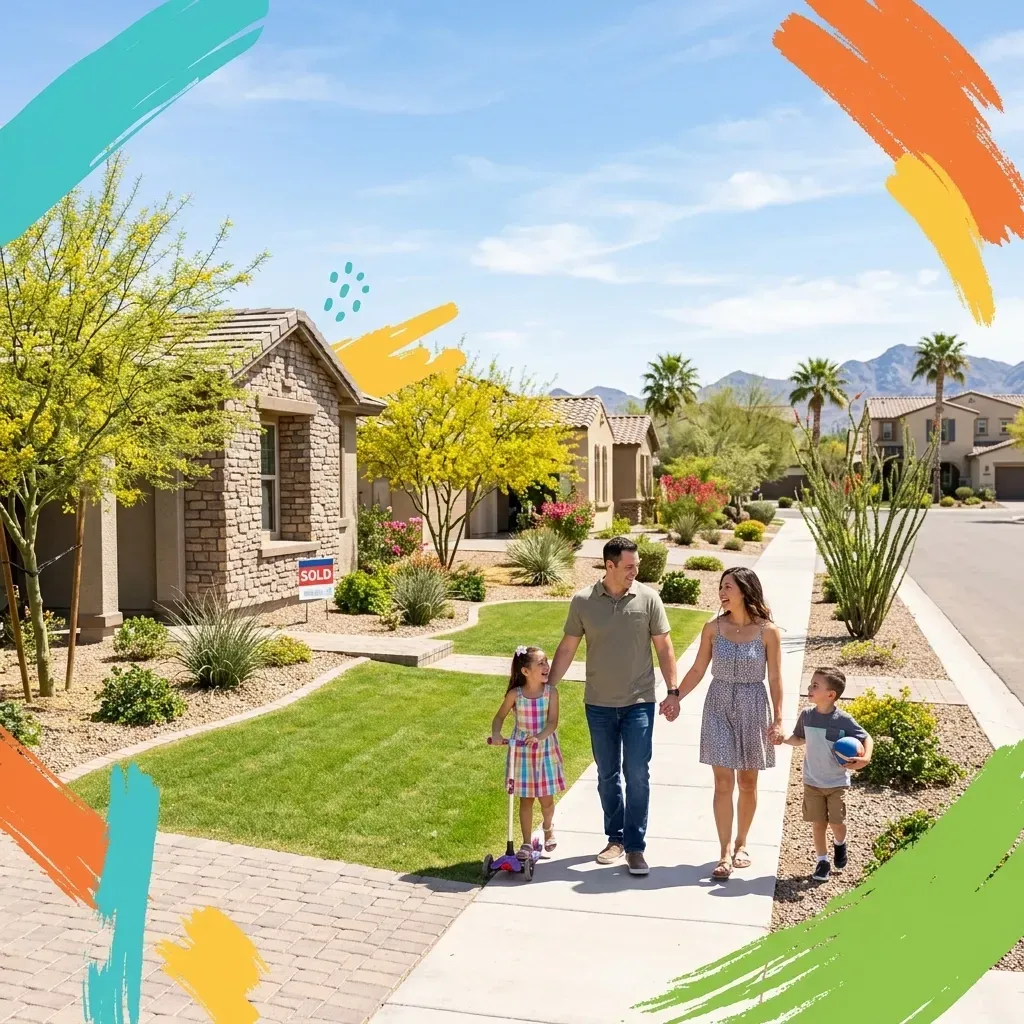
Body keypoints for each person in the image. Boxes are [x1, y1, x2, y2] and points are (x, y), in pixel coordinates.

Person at [546, 536, 678, 876]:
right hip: (599, 704)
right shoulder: (583, 602)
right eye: (630, 566)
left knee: (637, 773)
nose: (636, 571)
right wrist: (547, 688)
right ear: (610, 565)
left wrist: (673, 690)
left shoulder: (648, 599)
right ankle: (615, 838)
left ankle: (635, 846)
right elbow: (567, 648)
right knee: (607, 775)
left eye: (637, 566)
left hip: (638, 703)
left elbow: (664, 647)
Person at [663, 567, 783, 880]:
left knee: (747, 781)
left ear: (744, 590)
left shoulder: (768, 631)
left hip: (754, 705)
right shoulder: (712, 628)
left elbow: (775, 677)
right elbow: (698, 669)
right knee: (722, 782)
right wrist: (675, 696)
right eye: (721, 587)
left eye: (728, 586)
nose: (722, 592)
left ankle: (742, 843)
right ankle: (724, 851)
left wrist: (780, 718)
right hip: (717, 705)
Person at [776, 666, 873, 882]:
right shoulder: (807, 716)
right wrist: (781, 738)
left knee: (837, 823)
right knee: (818, 823)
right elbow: (799, 739)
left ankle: (840, 844)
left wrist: (865, 759)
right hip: (812, 782)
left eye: (815, 686)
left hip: (837, 782)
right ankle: (822, 861)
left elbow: (867, 737)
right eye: (811, 684)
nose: (810, 688)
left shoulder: (843, 720)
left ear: (831, 695)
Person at [490, 645, 566, 857]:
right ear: (525, 671)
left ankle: (548, 828)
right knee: (525, 799)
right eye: (541, 663)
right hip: (522, 752)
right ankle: (525, 843)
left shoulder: (551, 693)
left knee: (546, 798)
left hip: (544, 750)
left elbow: (552, 723)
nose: (546, 666)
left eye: (546, 661)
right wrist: (496, 733)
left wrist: (539, 737)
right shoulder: (516, 694)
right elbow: (499, 717)